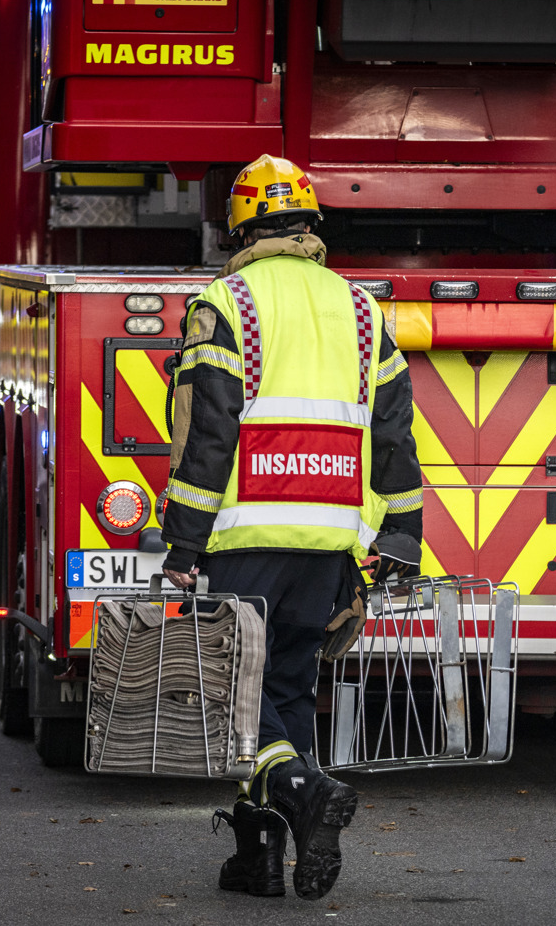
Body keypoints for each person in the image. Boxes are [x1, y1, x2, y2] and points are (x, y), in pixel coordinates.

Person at [160, 154, 424, 901]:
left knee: (239, 696)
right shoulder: (363, 308)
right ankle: (262, 861)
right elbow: (395, 434)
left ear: (240, 225)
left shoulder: (226, 302)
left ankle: (302, 791)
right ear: (312, 222)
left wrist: (183, 544)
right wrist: (400, 536)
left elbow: (207, 437)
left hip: (244, 537)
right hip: (330, 542)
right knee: (286, 687)